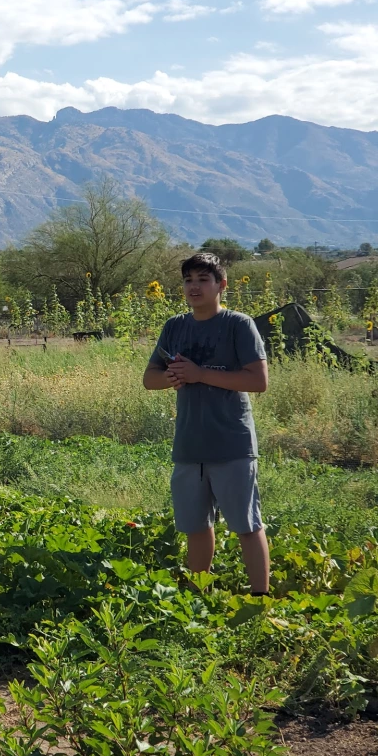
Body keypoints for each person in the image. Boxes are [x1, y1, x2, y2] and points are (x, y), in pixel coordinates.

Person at [143, 252, 271, 595]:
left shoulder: (238, 325)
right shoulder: (175, 327)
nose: (194, 287)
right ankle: (198, 595)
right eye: (188, 280)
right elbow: (150, 379)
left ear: (221, 285)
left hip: (231, 443)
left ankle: (260, 597)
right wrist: (175, 376)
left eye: (203, 279)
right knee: (195, 526)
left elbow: (258, 381)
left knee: (246, 524)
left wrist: (200, 374)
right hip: (189, 445)